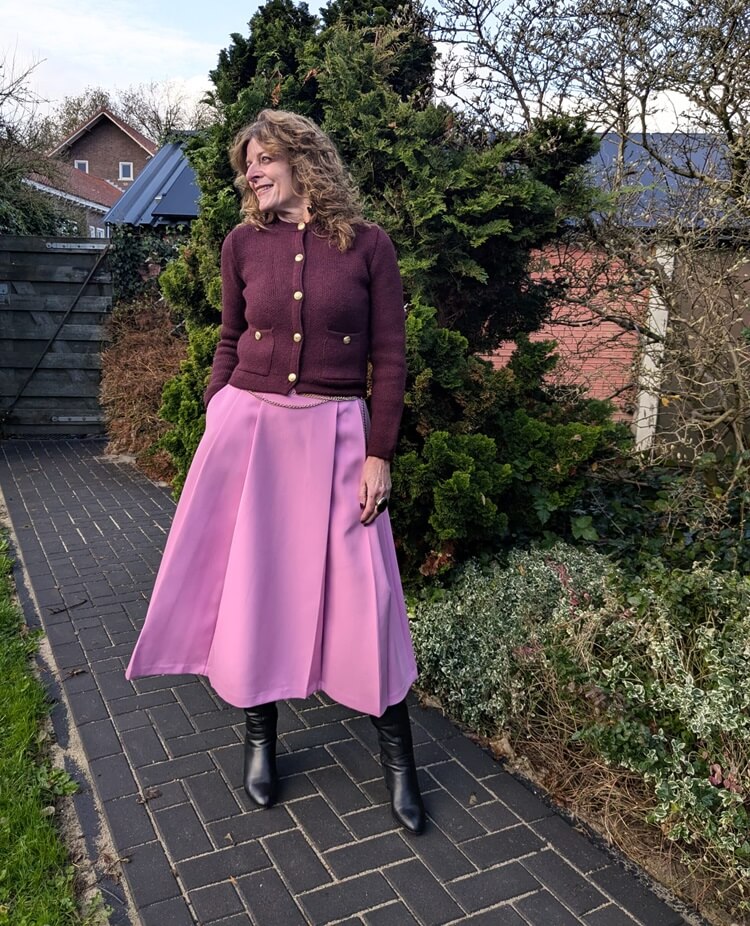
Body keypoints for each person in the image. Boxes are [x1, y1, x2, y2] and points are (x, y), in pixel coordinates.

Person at [125, 109, 425, 834]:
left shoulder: (368, 247)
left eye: (261, 160)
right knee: (252, 588)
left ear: (303, 160)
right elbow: (229, 336)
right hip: (249, 433)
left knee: (369, 597)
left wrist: (379, 452)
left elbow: (389, 358)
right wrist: (216, 408)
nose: (250, 173)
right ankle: (260, 741)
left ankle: (399, 761)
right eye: (245, 166)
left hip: (336, 437)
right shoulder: (241, 244)